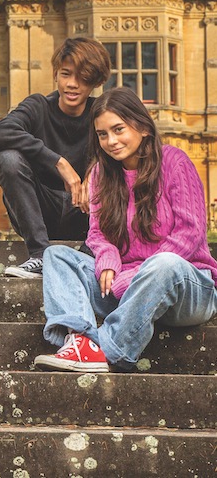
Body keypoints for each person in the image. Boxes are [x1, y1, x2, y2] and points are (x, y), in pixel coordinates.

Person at [34, 87, 217, 372]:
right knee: (56, 256)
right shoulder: (100, 173)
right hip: (127, 293)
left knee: (164, 264)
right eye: (102, 134)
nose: (111, 141)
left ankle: (109, 350)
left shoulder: (175, 162)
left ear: (142, 126)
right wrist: (108, 258)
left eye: (119, 129)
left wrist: (135, 274)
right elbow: (97, 233)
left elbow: (190, 235)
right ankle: (80, 341)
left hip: (187, 289)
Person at [0, 37, 111, 278]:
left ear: (96, 81)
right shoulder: (38, 106)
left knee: (120, 164)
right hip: (40, 210)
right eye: (66, 74)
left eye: (83, 77)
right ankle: (39, 255)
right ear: (56, 74)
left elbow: (134, 146)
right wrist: (59, 162)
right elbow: (1, 133)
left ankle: (89, 254)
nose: (72, 84)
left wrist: (95, 172)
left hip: (87, 211)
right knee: (9, 159)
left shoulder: (102, 112)